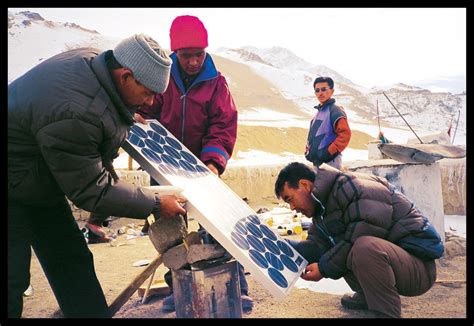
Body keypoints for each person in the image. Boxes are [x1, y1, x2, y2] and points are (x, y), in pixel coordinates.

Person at [8, 34, 188, 318]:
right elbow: (93, 191)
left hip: (36, 179)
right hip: (14, 182)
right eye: (148, 93)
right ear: (127, 76)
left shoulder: (96, 68)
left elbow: (101, 116)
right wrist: (155, 203)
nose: (149, 101)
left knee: (71, 261)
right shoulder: (77, 110)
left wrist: (124, 116)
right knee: (12, 275)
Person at [134, 15, 253, 312]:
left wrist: (212, 163)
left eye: (199, 54)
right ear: (175, 53)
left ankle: (236, 287)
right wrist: (138, 121)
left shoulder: (216, 83)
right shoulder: (160, 77)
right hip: (163, 167)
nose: (193, 61)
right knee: (170, 230)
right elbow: (146, 108)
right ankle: (181, 285)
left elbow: (223, 124)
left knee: (218, 227)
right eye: (186, 56)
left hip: (202, 168)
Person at [274, 162, 444, 318]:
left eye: (290, 199)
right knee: (342, 247)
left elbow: (365, 231)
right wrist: (281, 245)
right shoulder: (322, 209)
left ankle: (385, 312)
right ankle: (368, 296)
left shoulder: (352, 186)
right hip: (396, 263)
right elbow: (317, 246)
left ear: (305, 185)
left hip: (418, 268)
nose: (292, 208)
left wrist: (324, 268)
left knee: (362, 246)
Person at [305, 76, 351, 170]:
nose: (320, 93)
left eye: (323, 89)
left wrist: (330, 152)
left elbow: (345, 134)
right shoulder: (317, 113)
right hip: (317, 162)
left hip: (331, 162)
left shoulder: (335, 111)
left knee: (327, 185)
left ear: (332, 91)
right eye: (317, 90)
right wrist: (308, 151)